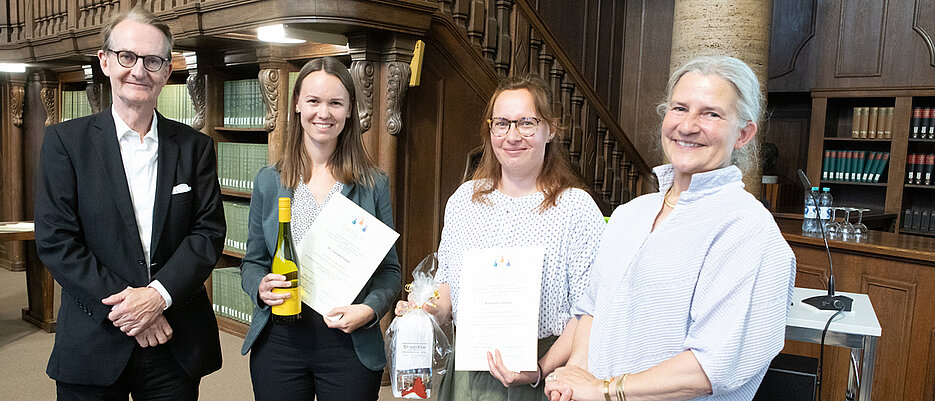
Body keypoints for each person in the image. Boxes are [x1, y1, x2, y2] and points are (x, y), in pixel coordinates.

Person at [543, 55, 796, 401]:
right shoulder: (629, 214)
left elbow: (710, 368)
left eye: (711, 113)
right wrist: (576, 376)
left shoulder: (748, 229)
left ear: (744, 133)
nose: (689, 125)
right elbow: (593, 309)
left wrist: (603, 390)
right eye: (679, 108)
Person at [34, 7, 224, 400]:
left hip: (174, 343)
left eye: (153, 60)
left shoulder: (195, 148)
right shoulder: (65, 144)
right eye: (127, 57)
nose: (139, 70)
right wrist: (132, 313)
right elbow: (57, 242)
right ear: (104, 61)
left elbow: (207, 234)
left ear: (167, 71)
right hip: (95, 337)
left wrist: (157, 297)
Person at [397, 75, 605, 400]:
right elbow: (450, 288)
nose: (512, 136)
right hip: (471, 373)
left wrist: (539, 368)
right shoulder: (464, 201)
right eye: (502, 123)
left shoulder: (575, 208)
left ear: (550, 129)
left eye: (526, 123)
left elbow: (588, 312)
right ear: (490, 130)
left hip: (546, 375)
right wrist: (424, 307)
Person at [240, 56, 401, 401]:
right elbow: (252, 261)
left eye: (335, 103)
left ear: (349, 110)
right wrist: (260, 287)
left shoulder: (373, 185)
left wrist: (370, 310)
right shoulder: (269, 182)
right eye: (313, 101)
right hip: (280, 342)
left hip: (349, 343)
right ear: (297, 104)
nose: (323, 113)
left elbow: (390, 271)